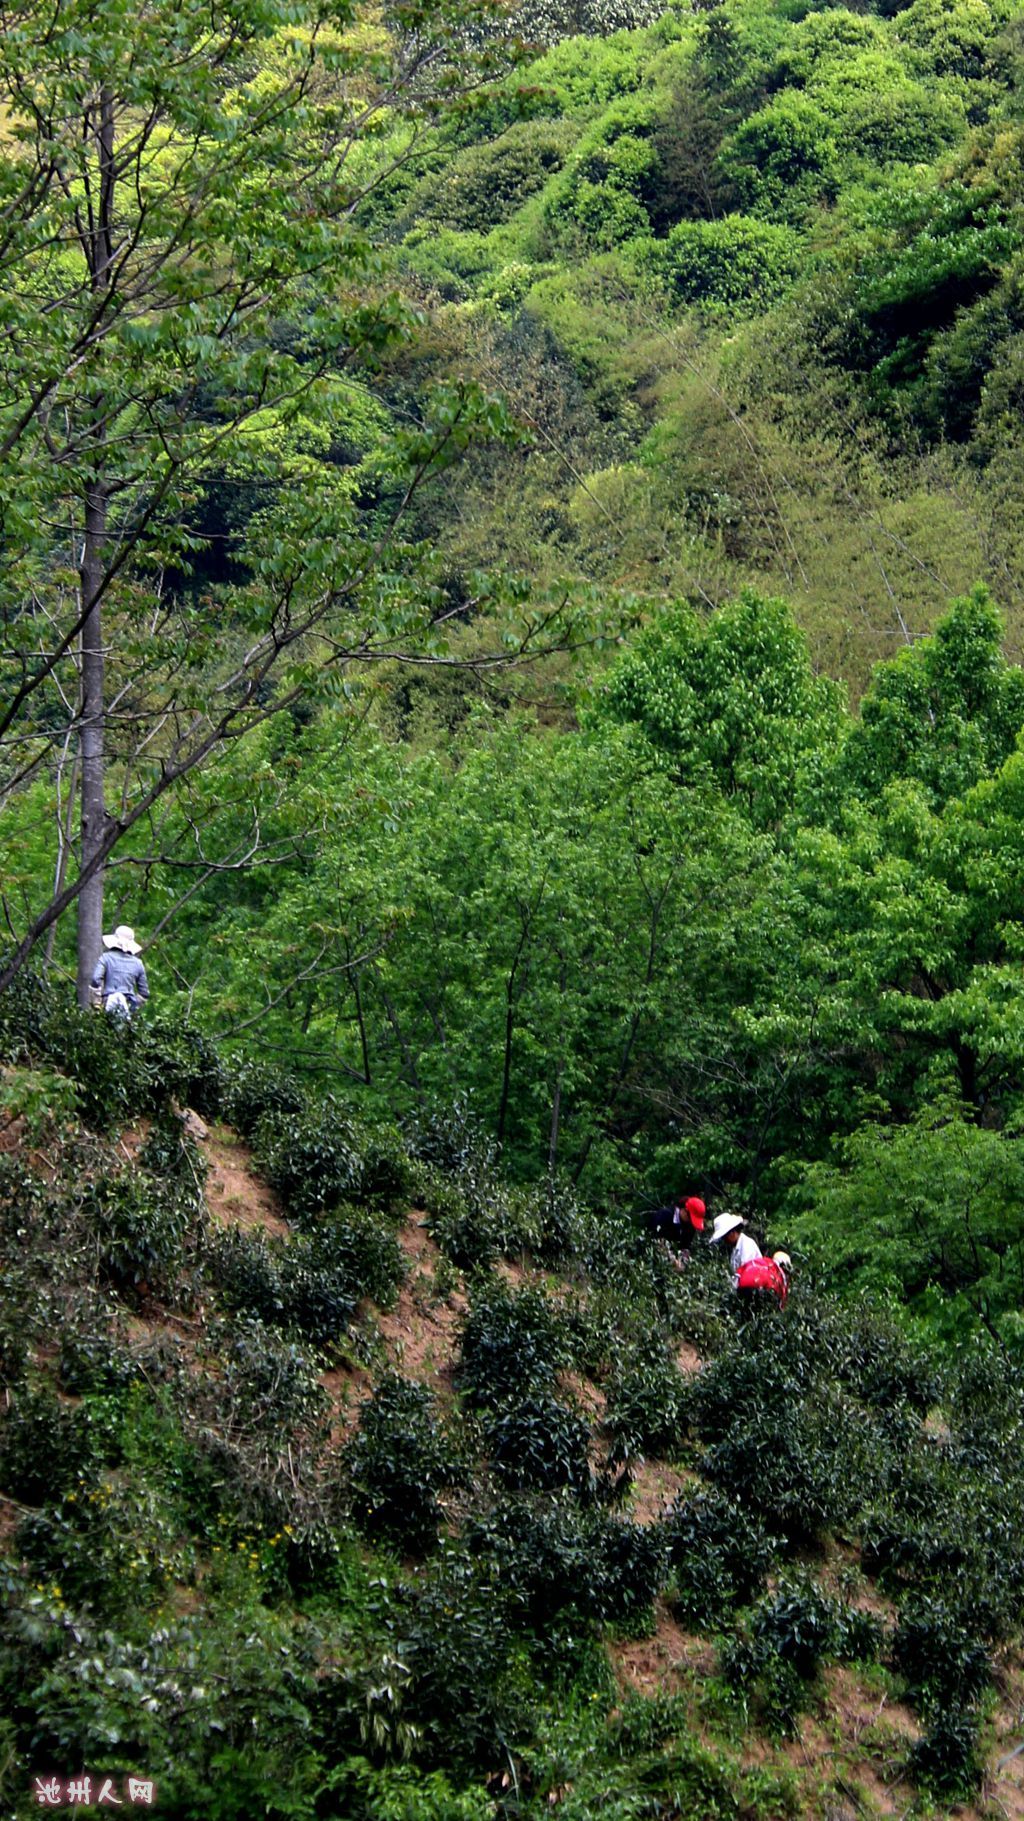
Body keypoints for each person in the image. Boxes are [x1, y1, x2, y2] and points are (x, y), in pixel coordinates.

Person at [91, 925, 150, 1020]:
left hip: (107, 1000)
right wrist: (133, 1006)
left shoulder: (106, 958)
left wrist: (97, 1001)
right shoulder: (137, 963)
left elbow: (95, 980)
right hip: (128, 1002)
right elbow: (144, 993)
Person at [644, 1194, 706, 1266]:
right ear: (684, 1210)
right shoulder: (663, 1216)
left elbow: (686, 1246)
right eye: (690, 1218)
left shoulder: (690, 1226)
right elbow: (657, 1242)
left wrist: (684, 1262)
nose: (690, 1222)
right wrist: (673, 1261)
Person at [708, 1211, 762, 1288]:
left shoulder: (747, 1246)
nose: (724, 1240)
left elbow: (746, 1275)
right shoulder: (735, 1248)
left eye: (724, 1237)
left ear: (732, 1233)